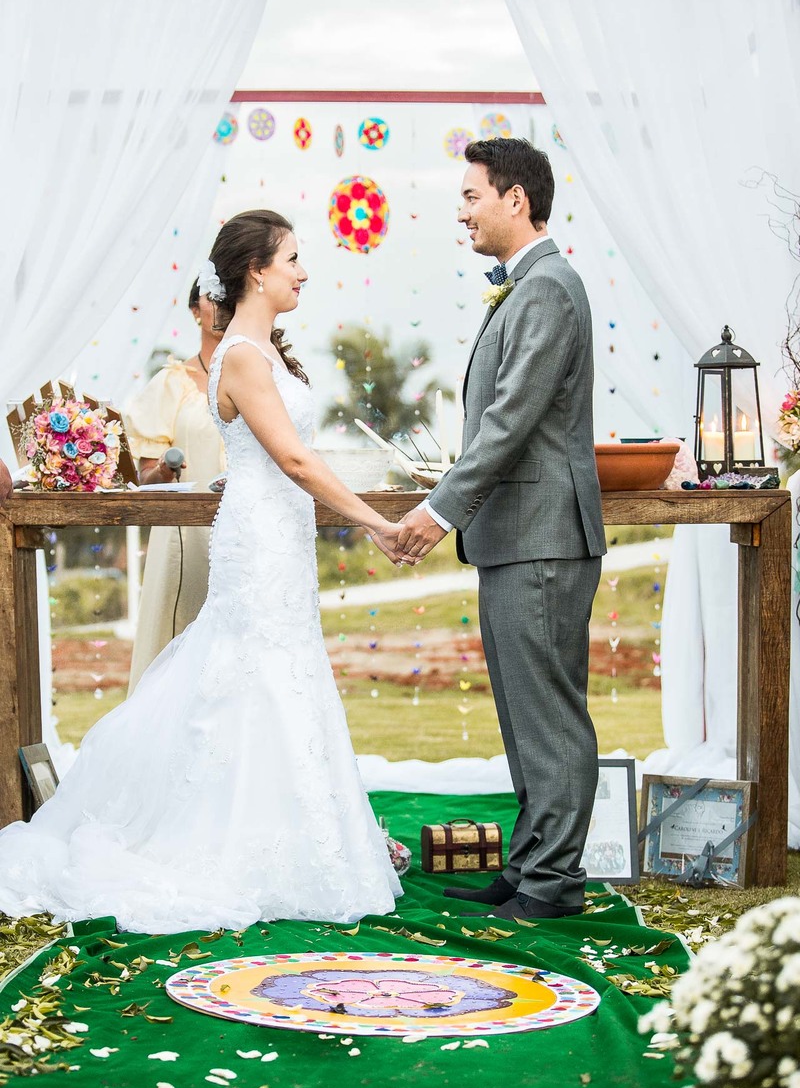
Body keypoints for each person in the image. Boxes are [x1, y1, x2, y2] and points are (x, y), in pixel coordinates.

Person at [0, 209, 410, 934]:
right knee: (253, 673)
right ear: (256, 270)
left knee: (279, 673)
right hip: (261, 535)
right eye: (292, 259)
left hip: (275, 531)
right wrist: (376, 523)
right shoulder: (246, 358)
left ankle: (295, 836)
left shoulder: (265, 353)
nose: (303, 271)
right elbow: (291, 458)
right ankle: (238, 845)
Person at [397, 138, 606, 921]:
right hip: (517, 536)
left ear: (516, 200)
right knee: (524, 716)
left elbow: (512, 420)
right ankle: (529, 868)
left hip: (543, 538)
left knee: (550, 716)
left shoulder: (549, 287)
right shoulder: (525, 288)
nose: (462, 212)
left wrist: (439, 509)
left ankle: (554, 884)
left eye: (471, 196)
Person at [124, 283, 225, 692]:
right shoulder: (170, 383)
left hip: (247, 526)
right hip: (184, 535)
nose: (220, 308)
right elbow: (144, 477)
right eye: (212, 299)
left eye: (227, 299)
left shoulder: (268, 375)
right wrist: (166, 470)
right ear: (194, 310)